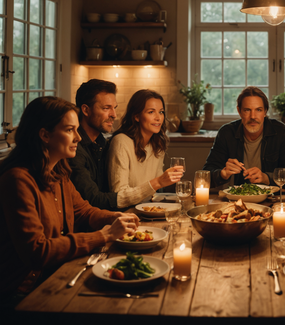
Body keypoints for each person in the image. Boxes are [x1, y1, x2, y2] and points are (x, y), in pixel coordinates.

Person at [0, 97, 139, 301]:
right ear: (45, 135)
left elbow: (83, 211)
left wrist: (114, 217)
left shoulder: (58, 172)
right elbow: (37, 252)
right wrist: (103, 236)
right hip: (22, 291)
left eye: (76, 130)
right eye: (69, 130)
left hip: (55, 273)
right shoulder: (18, 180)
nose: (78, 138)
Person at [203, 86, 285, 188]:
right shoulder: (227, 132)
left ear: (265, 112)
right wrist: (222, 174)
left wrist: (267, 178)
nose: (253, 116)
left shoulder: (280, 131)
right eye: (247, 110)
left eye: (258, 110)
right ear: (239, 111)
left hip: (272, 200)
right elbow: (205, 176)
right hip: (239, 200)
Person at [108, 89, 183, 206]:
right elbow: (119, 196)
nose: (158, 118)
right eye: (151, 112)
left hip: (148, 209)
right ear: (137, 116)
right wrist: (158, 182)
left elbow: (155, 192)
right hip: (126, 213)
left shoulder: (157, 144)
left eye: (161, 112)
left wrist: (167, 182)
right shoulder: (121, 142)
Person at [69, 79, 120, 210]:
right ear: (86, 110)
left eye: (114, 108)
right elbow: (92, 199)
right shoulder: (74, 149)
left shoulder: (104, 144)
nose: (114, 115)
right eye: (106, 108)